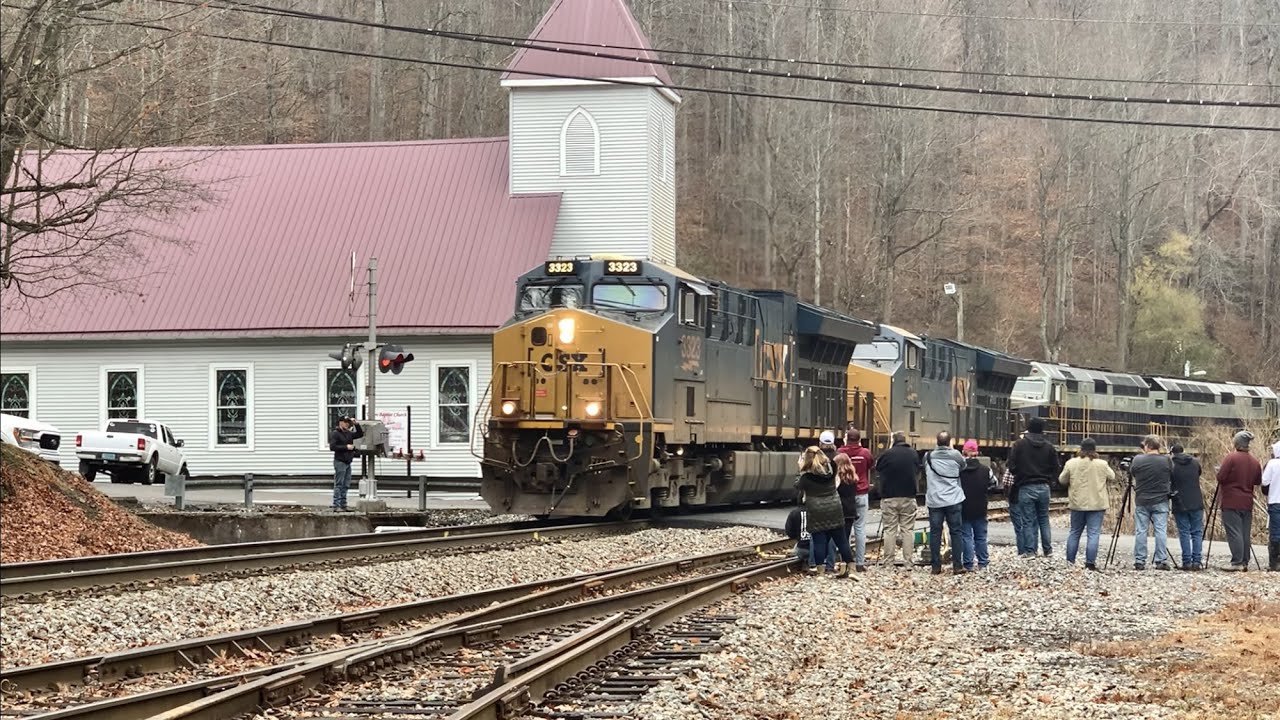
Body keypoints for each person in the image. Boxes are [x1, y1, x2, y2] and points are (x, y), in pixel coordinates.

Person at [795, 446, 853, 577]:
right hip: (835, 508)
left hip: (816, 511)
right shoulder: (832, 469)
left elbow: (797, 486)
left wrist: (800, 470)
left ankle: (820, 572)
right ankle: (852, 568)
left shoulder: (806, 478)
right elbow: (829, 463)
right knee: (842, 540)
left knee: (819, 541)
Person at [1059, 438, 1114, 571]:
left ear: (1081, 449)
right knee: (1093, 534)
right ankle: (1090, 563)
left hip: (1077, 503)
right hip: (1097, 504)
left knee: (1075, 532)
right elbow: (1112, 476)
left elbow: (1062, 479)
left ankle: (1070, 562)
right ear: (1095, 450)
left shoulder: (1071, 463)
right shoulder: (1102, 464)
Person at [1008, 417, 1059, 557]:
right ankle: (1048, 550)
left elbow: (1011, 466)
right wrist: (1049, 480)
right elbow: (1056, 468)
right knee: (1044, 518)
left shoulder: (1019, 445)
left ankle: (1030, 551)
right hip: (1044, 486)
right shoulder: (1049, 447)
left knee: (1028, 520)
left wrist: (1020, 474)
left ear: (1028, 428)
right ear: (1042, 429)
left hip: (1026, 486)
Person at [1216, 431, 1263, 571]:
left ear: (1237, 443)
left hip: (1231, 500)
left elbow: (1221, 478)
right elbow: (1258, 481)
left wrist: (1218, 472)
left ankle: (1237, 562)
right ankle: (1245, 560)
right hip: (1247, 501)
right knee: (1244, 532)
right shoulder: (1255, 461)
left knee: (1234, 531)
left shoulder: (1231, 458)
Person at [876, 431, 922, 568]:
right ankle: (908, 562)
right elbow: (918, 469)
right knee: (907, 530)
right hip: (908, 496)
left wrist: (889, 447)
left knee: (890, 530)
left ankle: (888, 562)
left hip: (889, 497)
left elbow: (878, 467)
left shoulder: (887, 454)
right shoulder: (913, 453)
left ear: (893, 441)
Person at [924, 431, 966, 575]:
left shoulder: (928, 456)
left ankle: (936, 567)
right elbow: (963, 467)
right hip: (953, 499)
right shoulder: (956, 455)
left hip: (935, 500)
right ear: (949, 442)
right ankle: (957, 565)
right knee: (956, 532)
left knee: (935, 533)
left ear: (936, 441)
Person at [1129, 435, 1173, 571]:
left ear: (1147, 446)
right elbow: (1171, 474)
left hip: (1142, 500)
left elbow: (1133, 473)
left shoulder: (1137, 460)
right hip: (1161, 500)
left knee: (1141, 530)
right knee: (1160, 530)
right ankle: (1161, 560)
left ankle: (1140, 560)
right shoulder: (1167, 460)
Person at [958, 440, 998, 571]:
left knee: (966, 536)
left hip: (964, 507)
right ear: (977, 453)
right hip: (981, 506)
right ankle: (983, 563)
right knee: (981, 536)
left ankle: (968, 564)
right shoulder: (986, 470)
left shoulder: (959, 471)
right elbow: (995, 483)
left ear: (963, 453)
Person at [838, 429, 873, 571]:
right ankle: (860, 562)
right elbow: (870, 465)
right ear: (859, 440)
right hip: (861, 493)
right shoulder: (865, 453)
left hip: (844, 495)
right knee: (860, 529)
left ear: (847, 439)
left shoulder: (840, 452)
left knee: (844, 529)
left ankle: (844, 561)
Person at [1169, 443, 1206, 571]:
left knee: (1184, 532)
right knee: (1197, 532)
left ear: (1172, 453)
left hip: (1180, 502)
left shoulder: (1171, 464)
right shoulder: (1195, 462)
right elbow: (1198, 474)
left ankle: (1186, 562)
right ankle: (1197, 561)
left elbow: (1169, 481)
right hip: (1196, 500)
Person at [329, 416, 364, 511]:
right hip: (340, 461)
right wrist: (346, 447)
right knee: (339, 484)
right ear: (340, 423)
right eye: (345, 422)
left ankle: (343, 504)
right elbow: (332, 447)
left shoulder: (349, 433)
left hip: (348, 461)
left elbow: (360, 434)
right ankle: (336, 505)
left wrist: (356, 424)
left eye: (348, 422)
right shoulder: (335, 434)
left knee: (346, 484)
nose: (347, 424)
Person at [1262, 439, 1280, 572]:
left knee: (1275, 532)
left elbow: (1264, 481)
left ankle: (1274, 563)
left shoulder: (1273, 464)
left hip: (1275, 501)